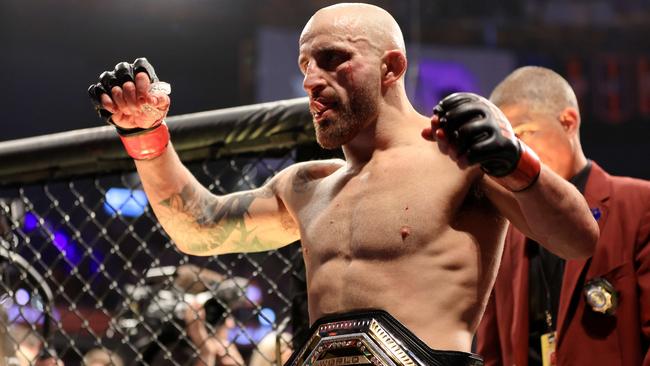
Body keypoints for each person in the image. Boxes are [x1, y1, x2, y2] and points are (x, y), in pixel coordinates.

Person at [88, 3, 598, 364]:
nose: (311, 79)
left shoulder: (457, 159)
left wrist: (516, 160)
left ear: (391, 67)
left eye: (332, 59)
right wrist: (144, 133)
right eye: (305, 65)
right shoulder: (306, 185)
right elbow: (198, 227)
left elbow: (577, 240)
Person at [476, 66, 650, 366]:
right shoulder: (506, 227)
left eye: (522, 134)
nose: (512, 152)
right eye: (504, 141)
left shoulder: (639, 204)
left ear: (568, 122)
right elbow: (490, 351)